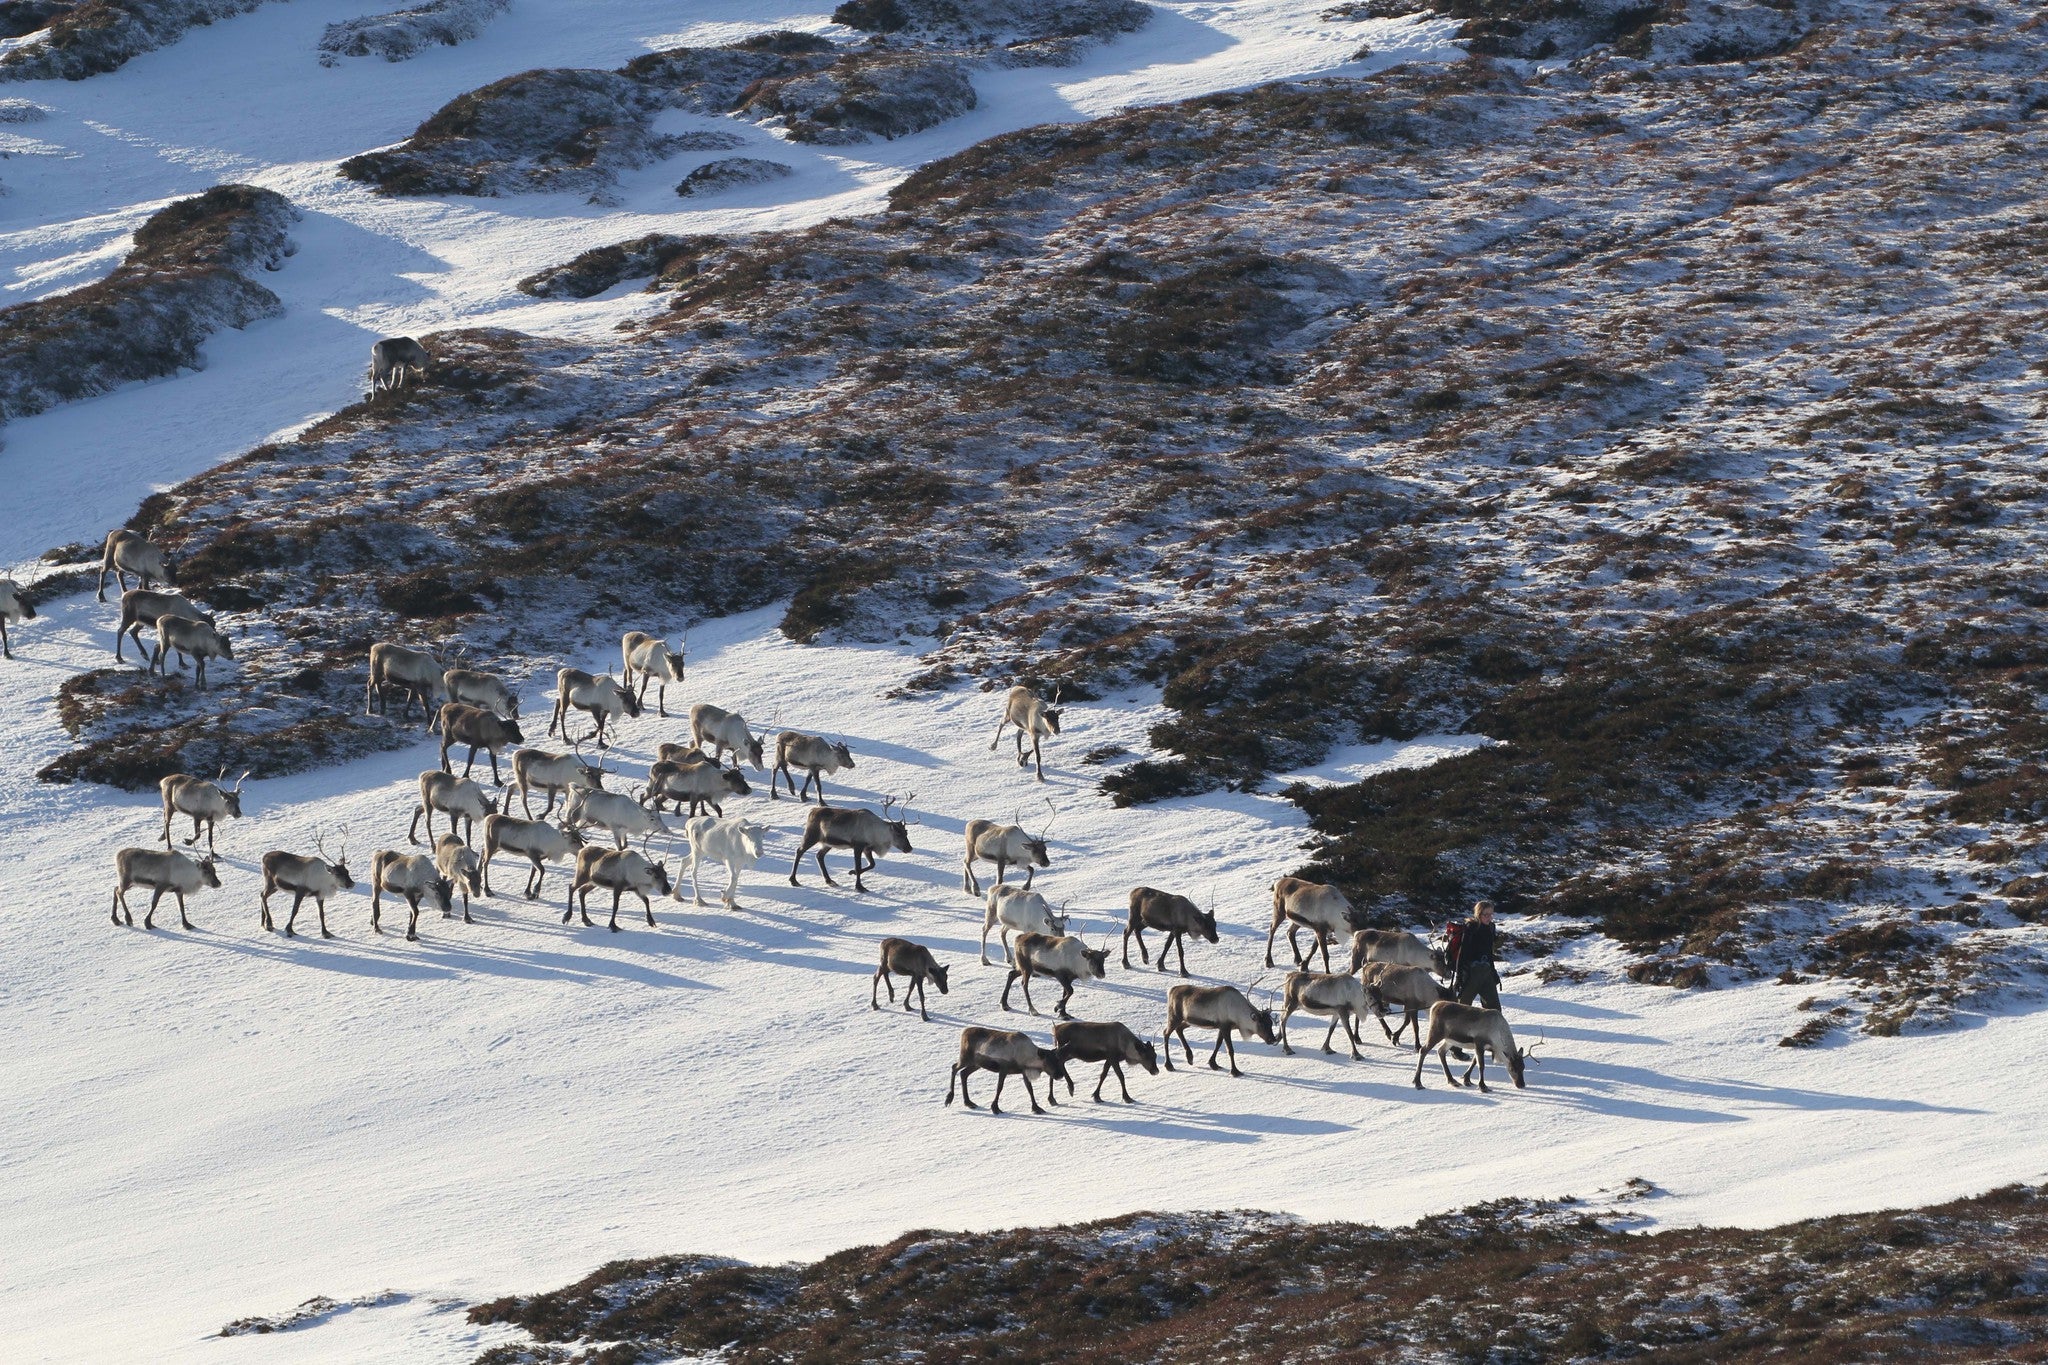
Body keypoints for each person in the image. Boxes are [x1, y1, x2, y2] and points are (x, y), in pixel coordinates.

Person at [1451, 899, 1501, 1011]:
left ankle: (1492, 1028)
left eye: (1491, 914)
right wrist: (1459, 978)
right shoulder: (1471, 927)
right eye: (1486, 914)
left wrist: (1493, 972)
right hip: (1470, 973)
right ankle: (1458, 1028)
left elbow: (1488, 953)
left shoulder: (1491, 927)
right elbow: (1462, 954)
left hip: (1486, 971)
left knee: (1494, 1010)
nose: (1489, 917)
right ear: (1478, 914)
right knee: (1462, 1008)